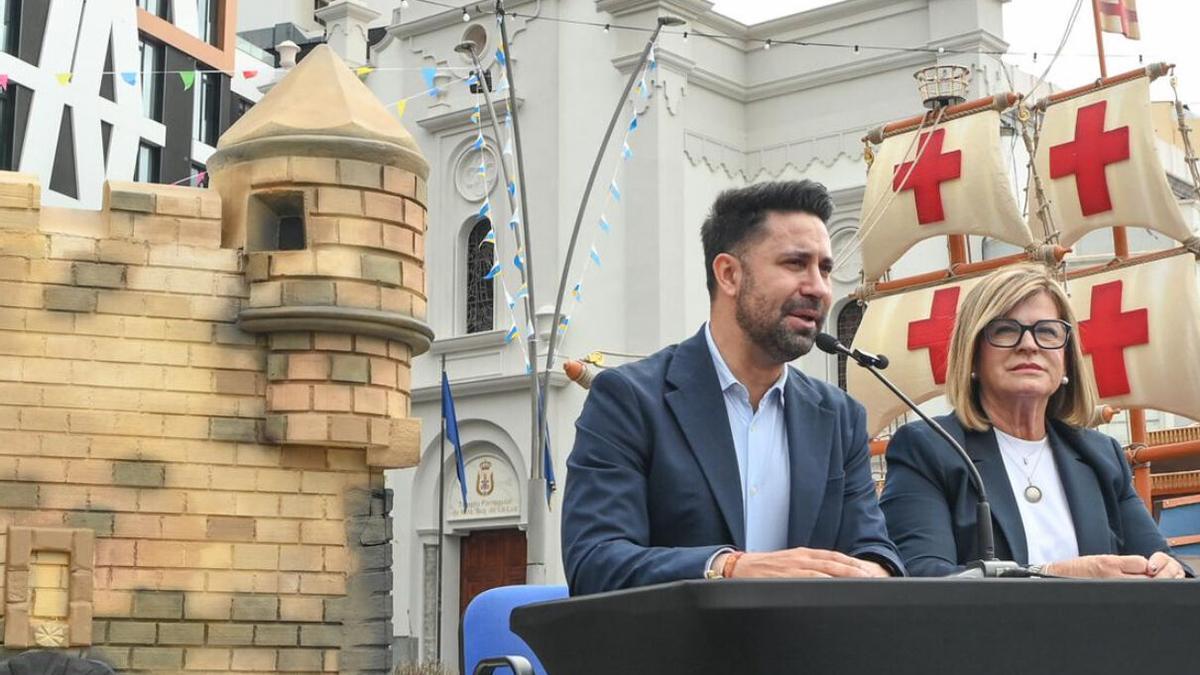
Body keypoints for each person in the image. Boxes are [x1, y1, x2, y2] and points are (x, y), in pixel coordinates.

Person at [561, 180, 904, 596]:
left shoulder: (839, 416)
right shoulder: (629, 399)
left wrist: (874, 574)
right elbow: (596, 562)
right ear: (729, 274)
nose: (818, 288)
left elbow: (874, 551)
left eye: (825, 269)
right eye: (796, 264)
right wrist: (729, 568)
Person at [880, 265, 1190, 578]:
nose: (1029, 344)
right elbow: (924, 578)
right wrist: (1052, 574)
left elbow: (1164, 566)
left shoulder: (1102, 456)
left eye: (1047, 331)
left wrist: (1169, 571)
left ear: (1066, 358)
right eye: (1004, 330)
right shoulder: (928, 449)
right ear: (972, 354)